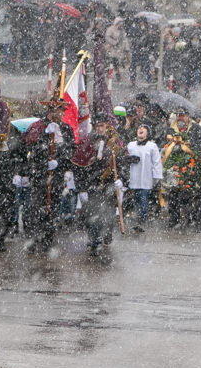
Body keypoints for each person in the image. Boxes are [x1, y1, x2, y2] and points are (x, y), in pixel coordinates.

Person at [22, 99, 76, 251]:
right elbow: (29, 144)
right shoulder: (39, 126)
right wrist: (45, 138)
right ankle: (32, 239)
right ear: (51, 111)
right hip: (39, 174)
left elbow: (71, 149)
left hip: (56, 176)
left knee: (52, 208)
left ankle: (47, 238)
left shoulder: (66, 129)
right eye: (58, 111)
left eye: (62, 111)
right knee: (35, 208)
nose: (61, 114)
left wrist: (59, 161)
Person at [71, 115, 128, 256]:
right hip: (93, 184)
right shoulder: (89, 142)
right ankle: (94, 240)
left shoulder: (116, 142)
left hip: (109, 184)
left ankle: (106, 233)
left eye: (102, 125)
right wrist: (81, 187)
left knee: (107, 214)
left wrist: (122, 179)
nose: (100, 128)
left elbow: (123, 163)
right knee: (92, 214)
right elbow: (81, 165)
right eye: (97, 126)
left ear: (107, 126)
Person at [126, 124, 162, 231]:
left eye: (144, 128)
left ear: (147, 133)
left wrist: (156, 177)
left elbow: (156, 162)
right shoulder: (131, 145)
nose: (140, 129)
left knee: (143, 199)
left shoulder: (151, 146)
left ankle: (142, 220)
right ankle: (138, 219)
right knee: (136, 200)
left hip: (146, 178)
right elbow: (125, 157)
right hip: (134, 177)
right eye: (139, 128)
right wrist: (129, 159)